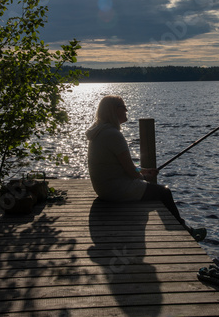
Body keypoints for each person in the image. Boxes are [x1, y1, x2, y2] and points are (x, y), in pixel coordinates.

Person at [86, 95, 206, 241]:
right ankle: (185, 230)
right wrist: (145, 177)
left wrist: (143, 171)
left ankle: (177, 227)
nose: (126, 110)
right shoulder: (113, 135)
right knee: (164, 192)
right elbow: (130, 171)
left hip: (104, 188)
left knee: (153, 191)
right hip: (115, 190)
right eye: (123, 106)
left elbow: (124, 167)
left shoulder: (100, 131)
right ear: (114, 110)